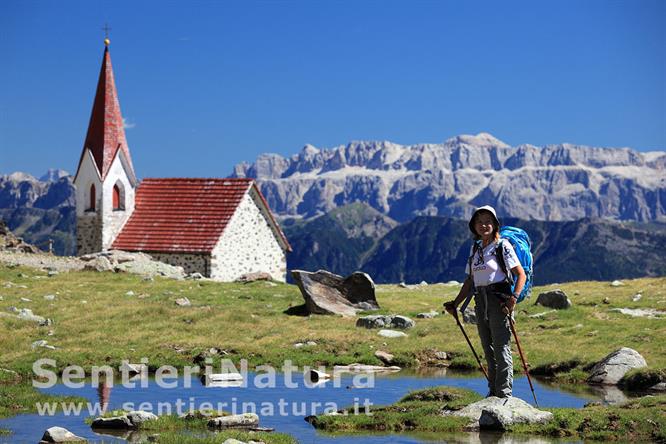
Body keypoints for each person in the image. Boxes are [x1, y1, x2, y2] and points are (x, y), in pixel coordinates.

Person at [444, 205, 526, 398]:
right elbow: (470, 280)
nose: (484, 225)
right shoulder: (476, 248)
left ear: (495, 224)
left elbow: (520, 274)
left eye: (488, 221)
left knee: (501, 347)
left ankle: (504, 393)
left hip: (500, 301)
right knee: (487, 348)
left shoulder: (502, 246)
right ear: (474, 226)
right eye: (479, 221)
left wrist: (513, 298)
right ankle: (493, 391)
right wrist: (455, 304)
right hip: (480, 300)